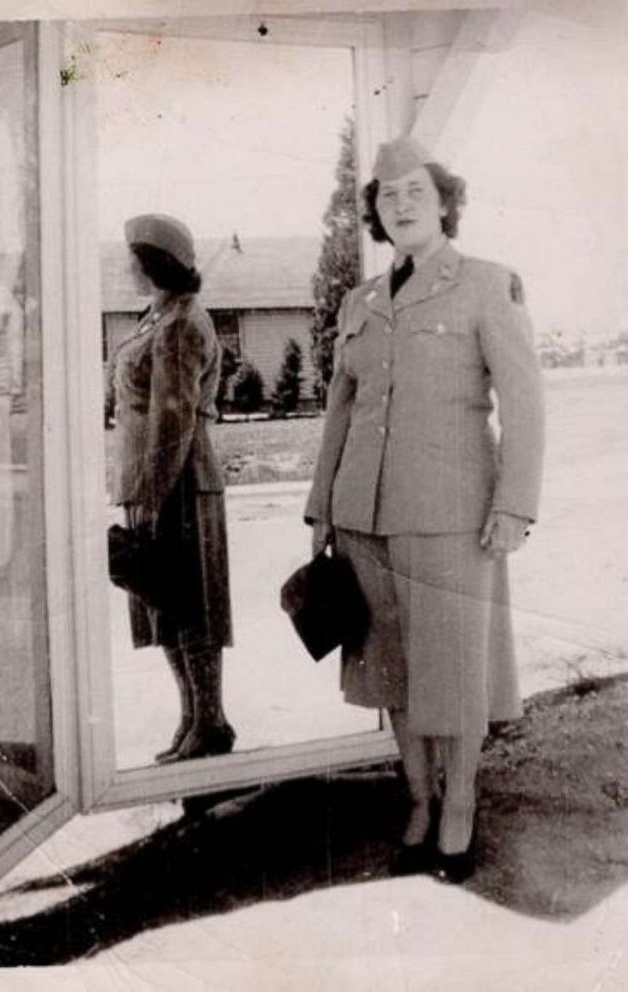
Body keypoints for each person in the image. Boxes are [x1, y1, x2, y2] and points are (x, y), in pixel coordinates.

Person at [305, 137, 545, 882]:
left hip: (451, 516)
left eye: (414, 190)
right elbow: (338, 415)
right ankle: (417, 799)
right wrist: (320, 508)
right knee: (391, 674)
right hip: (361, 516)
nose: (399, 204)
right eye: (385, 195)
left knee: (453, 672)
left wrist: (514, 505)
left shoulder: (486, 285)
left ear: (443, 202)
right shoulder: (359, 302)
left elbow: (525, 405)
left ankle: (459, 808)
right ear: (374, 214)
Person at [107, 213, 235, 763]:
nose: (125, 265)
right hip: (155, 485)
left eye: (131, 256)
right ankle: (194, 718)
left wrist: (155, 497)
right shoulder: (157, 316)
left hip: (178, 483)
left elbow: (173, 418)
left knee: (187, 605)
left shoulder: (182, 321)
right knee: (165, 603)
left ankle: (210, 721)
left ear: (152, 262)